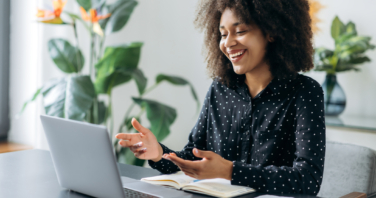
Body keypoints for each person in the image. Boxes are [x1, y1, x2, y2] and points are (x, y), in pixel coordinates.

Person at [115, 0, 325, 195]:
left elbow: (308, 180)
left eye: (240, 31)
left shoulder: (304, 92)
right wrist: (159, 153)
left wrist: (231, 171)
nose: (228, 43)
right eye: (223, 34)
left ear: (272, 31)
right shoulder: (220, 89)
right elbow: (193, 155)